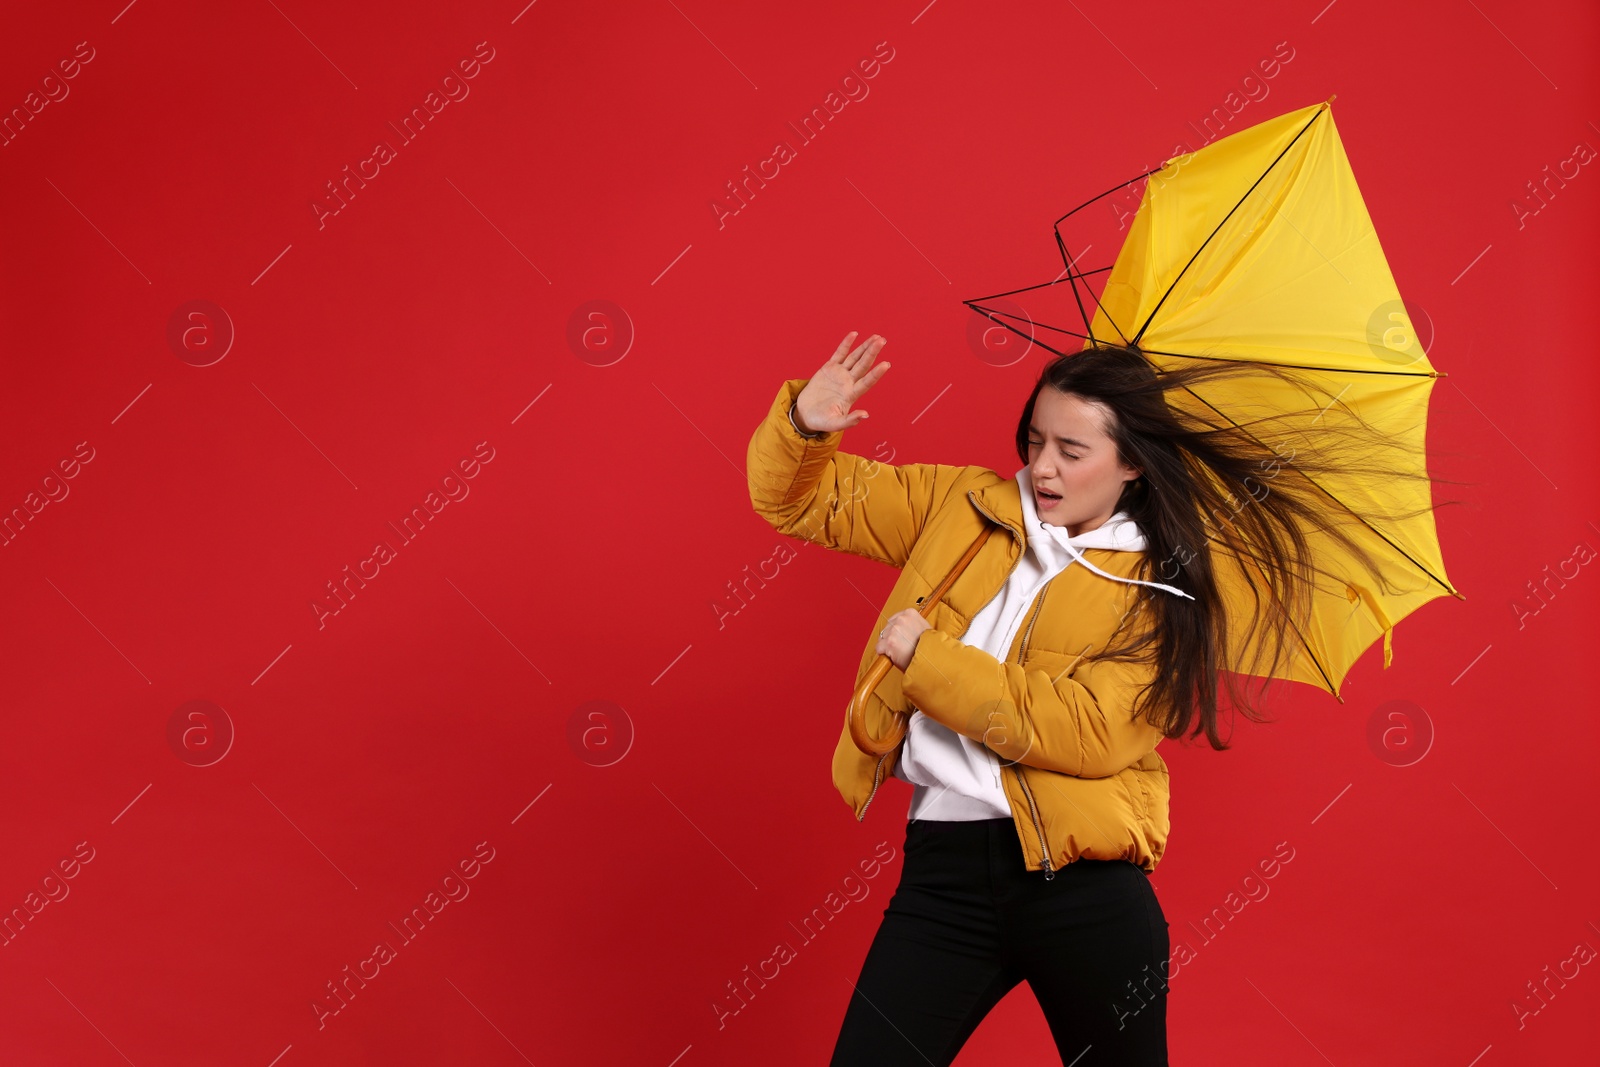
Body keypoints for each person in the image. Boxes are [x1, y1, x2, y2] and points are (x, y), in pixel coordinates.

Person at [745, 331, 1443, 1065]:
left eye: (1071, 452)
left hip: (1083, 895)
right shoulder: (963, 506)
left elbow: (1088, 731)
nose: (1042, 467)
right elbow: (801, 504)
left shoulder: (1165, 593)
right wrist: (803, 429)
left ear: (1132, 461)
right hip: (941, 877)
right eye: (1036, 439)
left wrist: (928, 660)